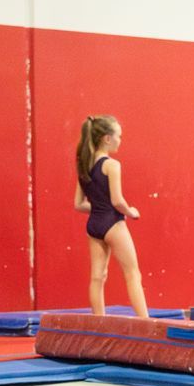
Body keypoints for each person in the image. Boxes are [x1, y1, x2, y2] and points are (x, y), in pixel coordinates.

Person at [73, 115, 148, 318]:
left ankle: (100, 322)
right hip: (113, 223)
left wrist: (98, 206)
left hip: (94, 225)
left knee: (98, 276)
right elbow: (117, 201)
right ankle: (146, 323)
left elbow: (78, 205)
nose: (120, 141)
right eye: (118, 136)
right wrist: (131, 212)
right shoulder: (112, 165)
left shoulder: (84, 165)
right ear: (107, 138)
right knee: (132, 274)